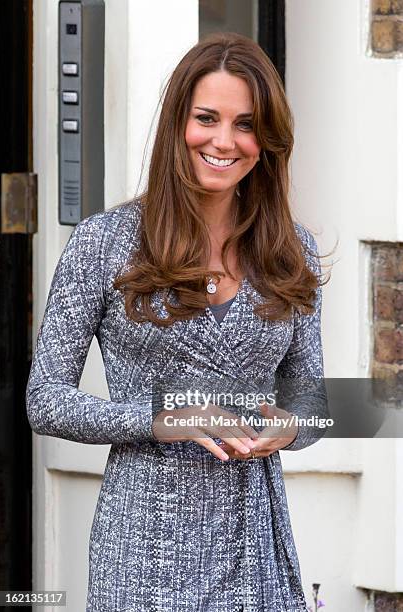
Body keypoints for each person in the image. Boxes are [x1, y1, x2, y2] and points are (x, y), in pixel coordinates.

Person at [26, 32, 327, 612]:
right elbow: (46, 400)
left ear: (266, 141)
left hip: (254, 545)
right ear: (177, 125)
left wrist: (287, 428)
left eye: (245, 124)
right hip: (144, 549)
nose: (224, 141)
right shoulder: (105, 243)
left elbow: (311, 398)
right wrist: (168, 418)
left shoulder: (294, 251)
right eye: (206, 118)